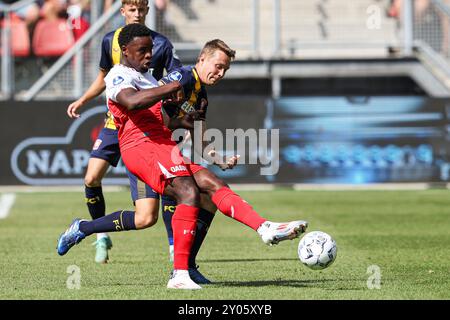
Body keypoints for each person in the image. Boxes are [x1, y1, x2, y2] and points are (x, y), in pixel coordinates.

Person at [56, 23, 309, 290]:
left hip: (162, 145)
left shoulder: (186, 91)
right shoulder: (159, 76)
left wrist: (213, 153)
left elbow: (176, 124)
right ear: (202, 59)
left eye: (225, 69)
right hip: (142, 147)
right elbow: (134, 103)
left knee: (206, 188)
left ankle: (263, 228)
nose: (220, 73)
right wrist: (175, 102)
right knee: (187, 193)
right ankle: (180, 273)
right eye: (217, 66)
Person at [65, 0, 184, 265]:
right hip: (116, 122)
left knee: (166, 190)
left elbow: (176, 74)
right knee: (91, 178)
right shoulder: (110, 41)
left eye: (141, 10)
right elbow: (103, 77)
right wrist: (83, 99)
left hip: (146, 125)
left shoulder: (161, 44)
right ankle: (100, 235)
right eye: (132, 10)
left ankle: (174, 248)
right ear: (123, 11)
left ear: (148, 12)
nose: (137, 14)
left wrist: (168, 104)